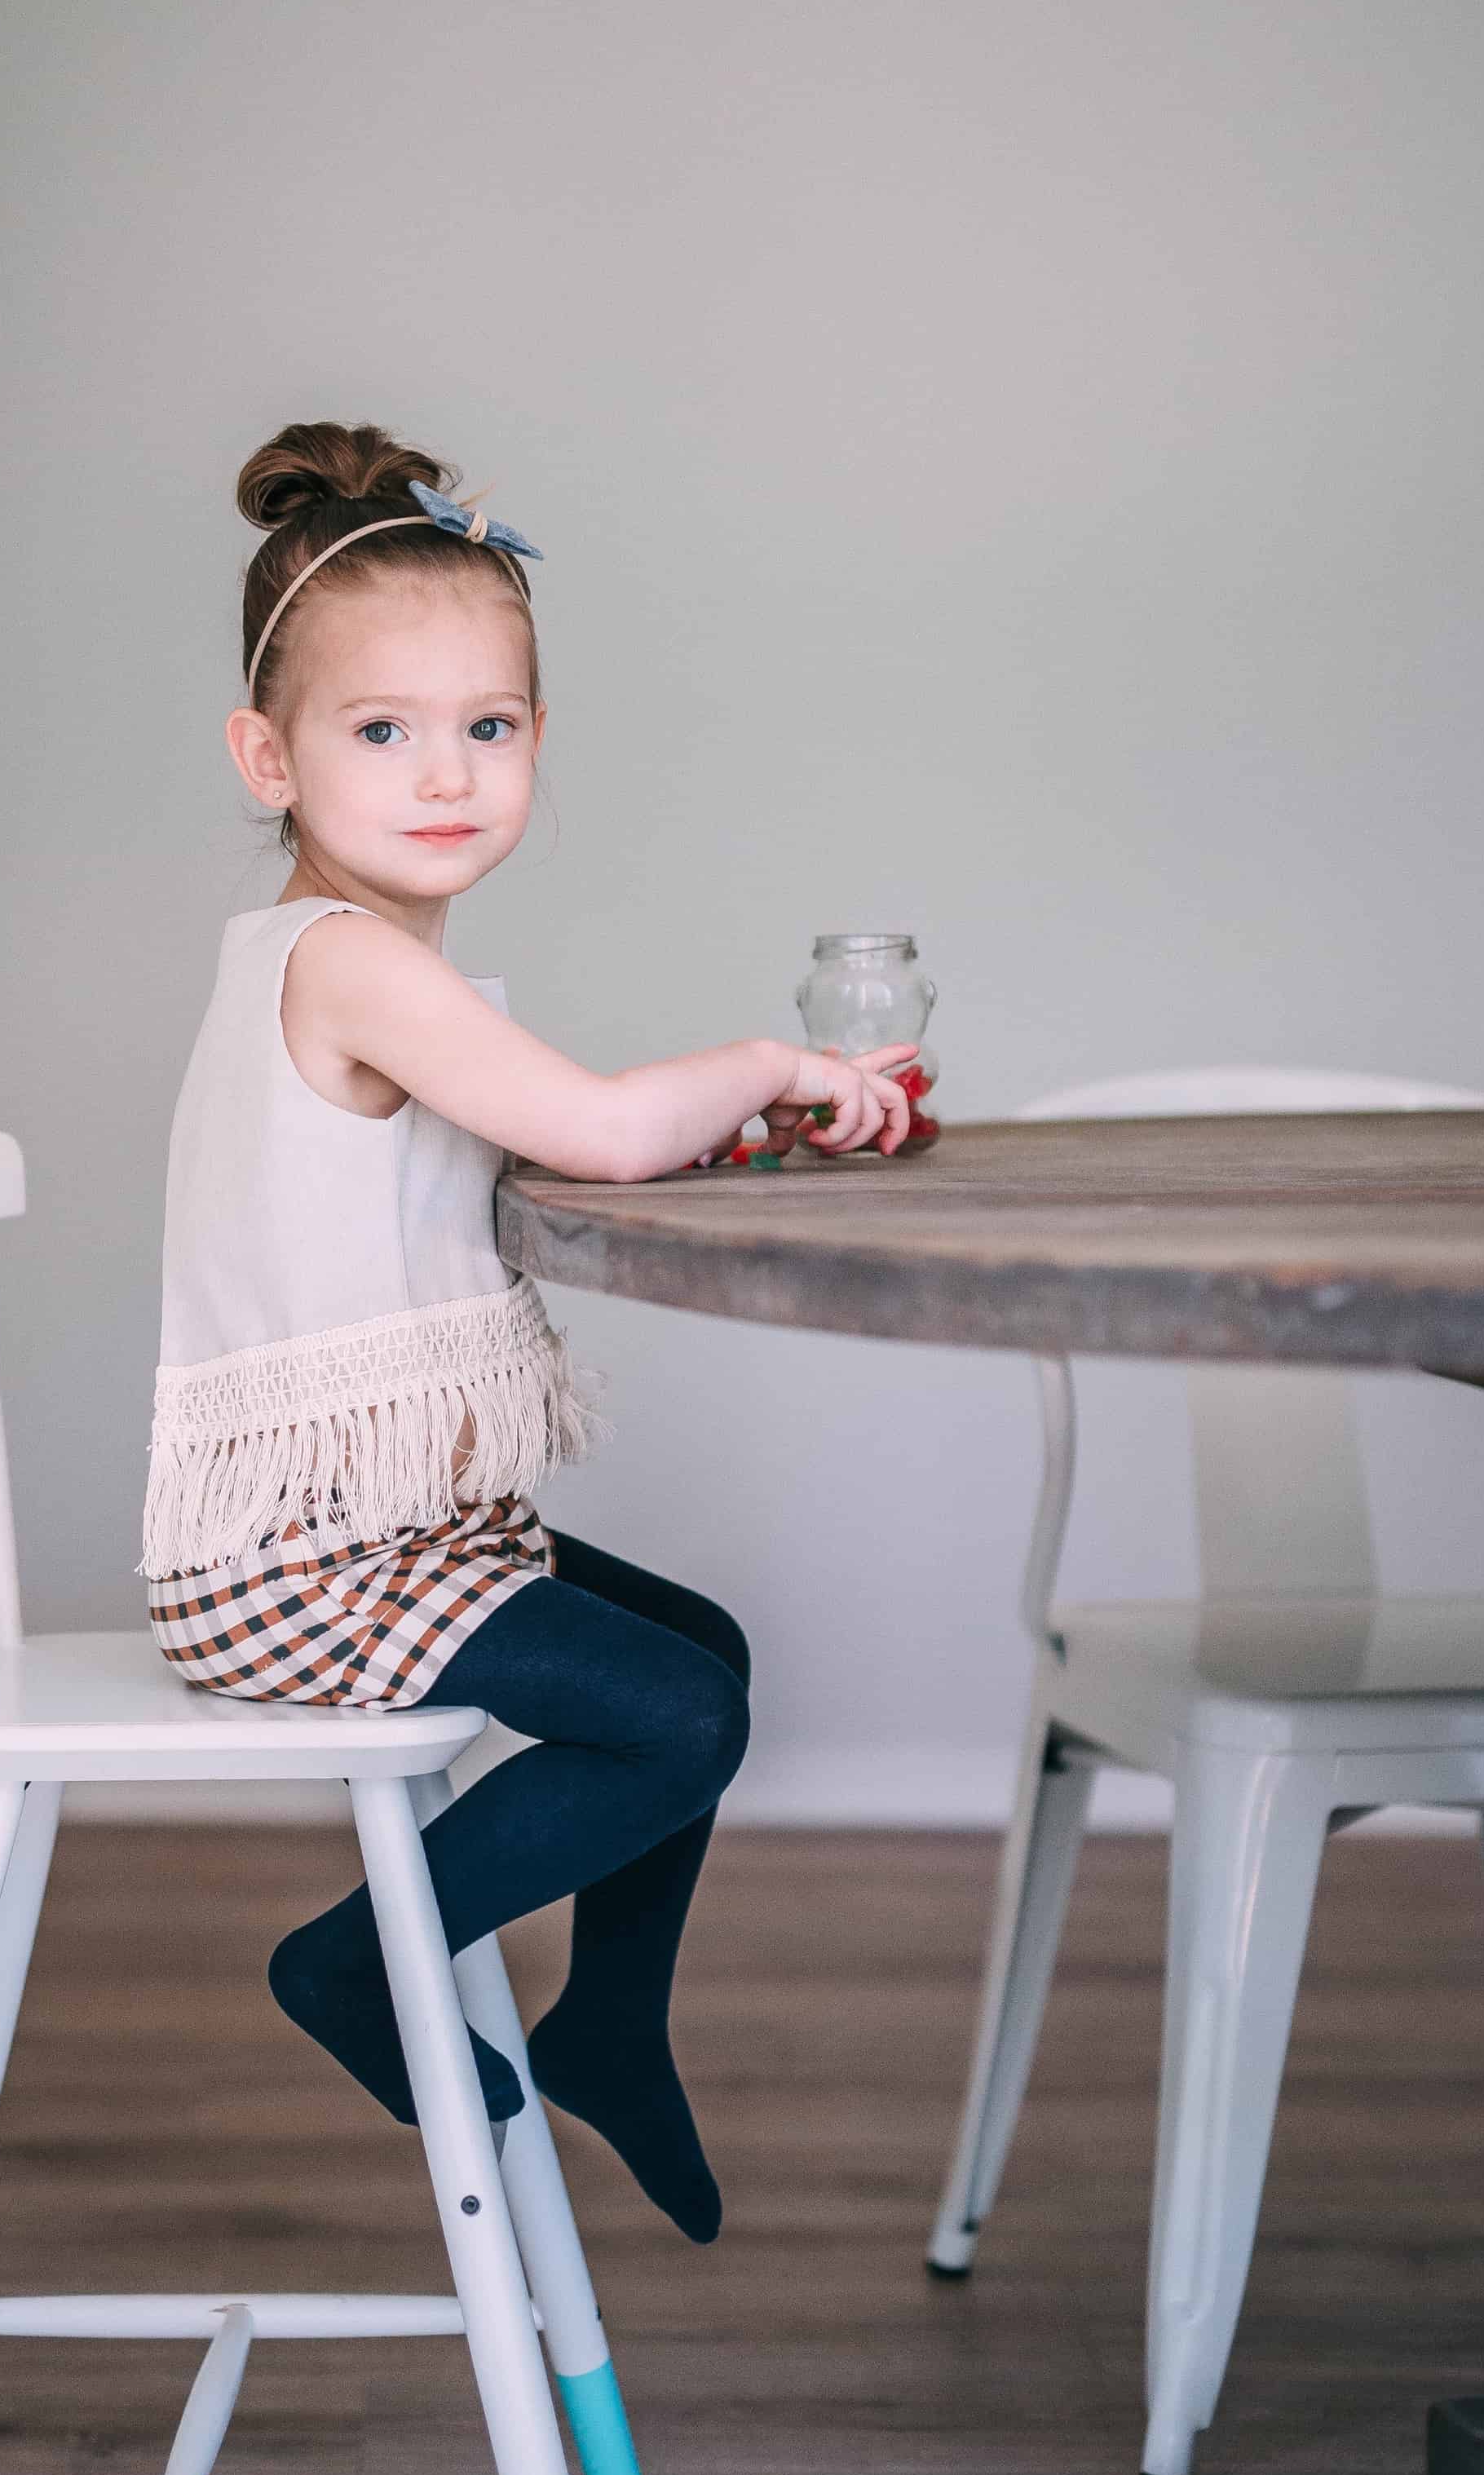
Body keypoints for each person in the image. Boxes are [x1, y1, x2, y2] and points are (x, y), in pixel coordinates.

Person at [143, 422, 915, 2240]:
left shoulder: (365, 960)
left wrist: (724, 1120)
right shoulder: (346, 961)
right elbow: (602, 1127)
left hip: (371, 1532)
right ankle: (354, 1960)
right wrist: (784, 1062)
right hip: (302, 1559)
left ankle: (610, 2029)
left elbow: (538, 1136)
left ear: (538, 747)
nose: (444, 773)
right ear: (270, 752)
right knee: (676, 1716)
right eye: (380, 729)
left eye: (486, 727)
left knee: (697, 1647)